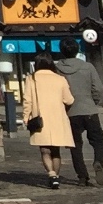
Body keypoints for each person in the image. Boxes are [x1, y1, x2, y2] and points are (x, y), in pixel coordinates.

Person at [52, 40, 103, 186]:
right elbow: (98, 88)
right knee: (98, 141)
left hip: (69, 111)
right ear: (77, 50)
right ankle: (98, 161)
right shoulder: (87, 66)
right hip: (88, 108)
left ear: (62, 51)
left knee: (75, 145)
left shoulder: (57, 68)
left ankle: (82, 176)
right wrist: (93, 100)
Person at [24, 55, 76, 191]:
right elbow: (69, 100)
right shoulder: (60, 79)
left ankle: (51, 174)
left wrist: (26, 117)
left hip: (40, 118)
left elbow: (27, 100)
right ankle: (56, 177)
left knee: (44, 150)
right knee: (56, 151)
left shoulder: (32, 79)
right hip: (58, 118)